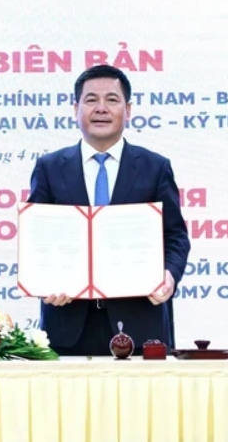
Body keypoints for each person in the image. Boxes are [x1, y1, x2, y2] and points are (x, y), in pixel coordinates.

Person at [26, 64, 191, 356]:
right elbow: (36, 237)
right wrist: (45, 280)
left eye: (112, 100)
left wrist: (169, 275)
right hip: (68, 324)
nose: (101, 108)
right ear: (75, 108)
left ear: (128, 110)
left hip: (141, 325)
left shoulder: (155, 167)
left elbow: (175, 236)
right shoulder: (50, 168)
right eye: (91, 100)